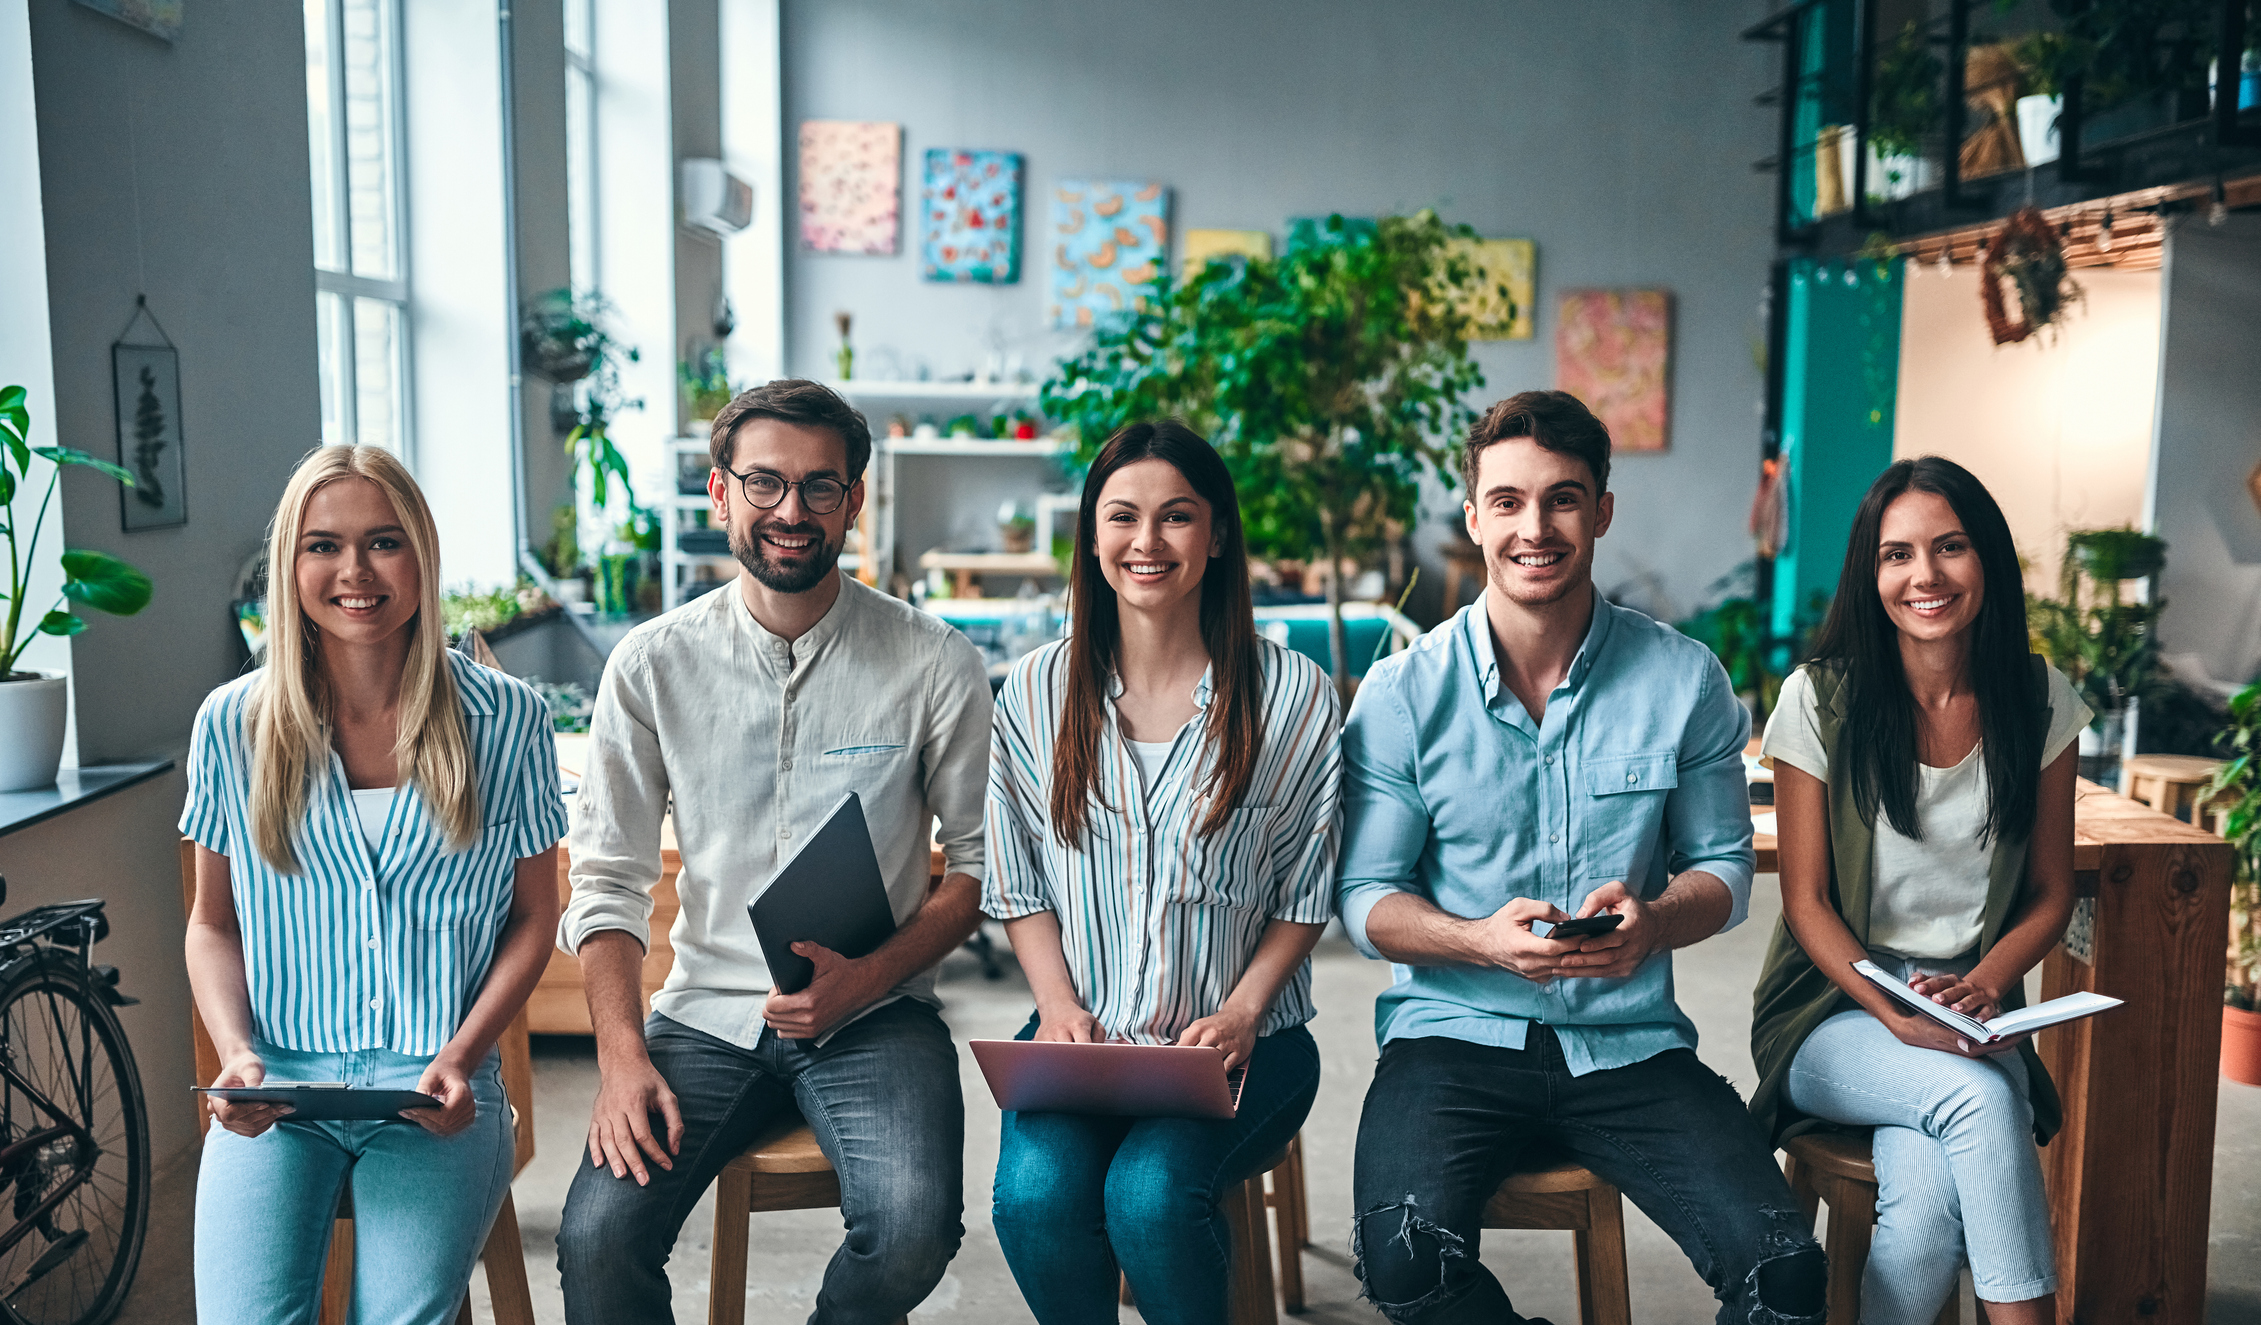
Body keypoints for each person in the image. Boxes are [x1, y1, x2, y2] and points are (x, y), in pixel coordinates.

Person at [1337, 391, 1827, 1325]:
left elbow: (1723, 869)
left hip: (1630, 1043)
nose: (1535, 527)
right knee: (1402, 1259)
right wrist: (1479, 940)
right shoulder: (1404, 694)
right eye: (1509, 501)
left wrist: (1654, 922)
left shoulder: (1684, 678)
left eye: (1563, 498)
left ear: (1602, 510)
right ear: (1474, 515)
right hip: (1450, 1037)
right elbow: (1366, 899)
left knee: (1788, 1276)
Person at [554, 379, 990, 1324]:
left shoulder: (933, 660)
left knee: (914, 1225)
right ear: (719, 492)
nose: (791, 511)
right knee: (595, 1239)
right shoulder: (652, 662)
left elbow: (979, 870)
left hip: (877, 1014)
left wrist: (867, 976)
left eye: (819, 487)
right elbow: (606, 883)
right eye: (763, 483)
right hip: (702, 1016)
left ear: (854, 499)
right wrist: (621, 1054)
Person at [182, 444, 567, 1323]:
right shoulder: (232, 724)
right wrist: (237, 1052)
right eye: (323, 544)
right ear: (291, 564)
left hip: (438, 1095)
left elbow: (535, 915)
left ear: (422, 555)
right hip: (277, 1089)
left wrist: (464, 1057)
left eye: (382, 541)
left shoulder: (507, 722)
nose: (354, 571)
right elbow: (214, 923)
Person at [983, 420, 1340, 1325]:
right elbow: (1019, 882)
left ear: (1215, 534)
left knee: (1148, 1198)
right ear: (1092, 536)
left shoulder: (1290, 694)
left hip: (1245, 1044)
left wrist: (1242, 1013)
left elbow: (1305, 890)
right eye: (1123, 517)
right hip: (1083, 1038)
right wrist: (1057, 1007)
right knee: (1034, 1200)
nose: (1146, 543)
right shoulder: (1031, 692)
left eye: (1175, 517)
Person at [1751, 457, 2083, 1325]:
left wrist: (1981, 986)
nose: (1924, 575)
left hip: (1972, 1007)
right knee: (1977, 1098)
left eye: (1950, 547)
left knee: (1927, 1207)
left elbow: (2049, 891)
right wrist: (1896, 1010)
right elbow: (1806, 901)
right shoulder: (1819, 700)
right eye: (1897, 554)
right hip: (1835, 1007)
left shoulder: (2041, 699)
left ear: (1988, 562)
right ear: (1872, 573)